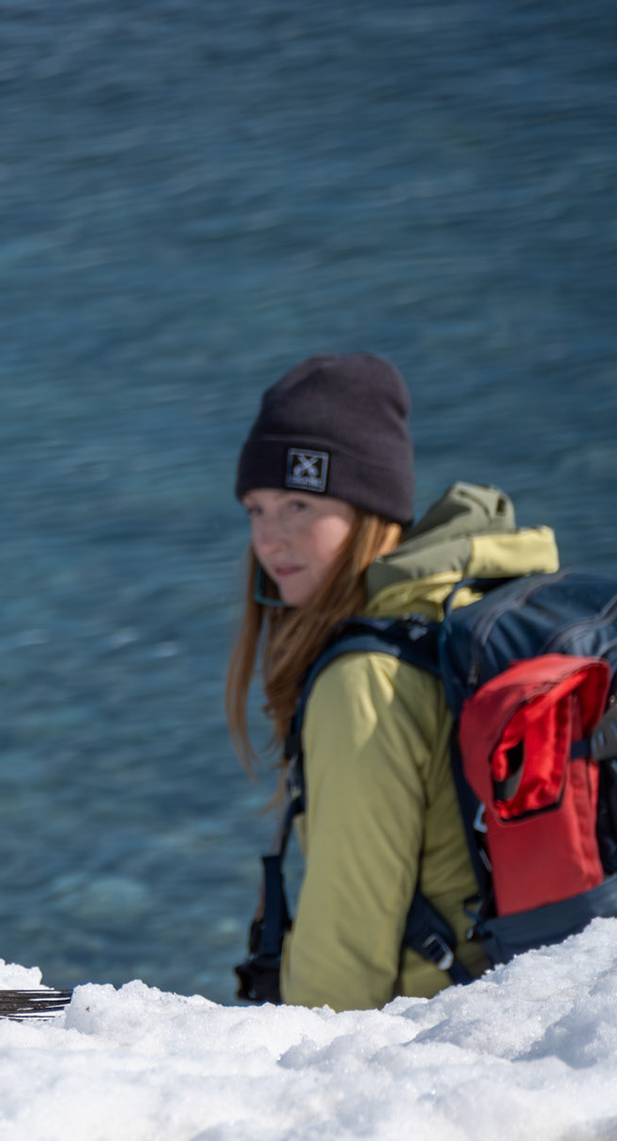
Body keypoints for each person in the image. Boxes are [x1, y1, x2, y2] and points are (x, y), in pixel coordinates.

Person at [226, 354, 558, 1009]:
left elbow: (345, 958)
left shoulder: (365, 680)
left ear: (370, 511)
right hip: (509, 1003)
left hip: (425, 1039)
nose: (270, 538)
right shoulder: (455, 616)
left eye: (298, 504)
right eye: (256, 510)